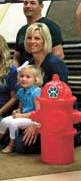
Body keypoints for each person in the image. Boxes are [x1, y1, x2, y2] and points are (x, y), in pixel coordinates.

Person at [14, 22, 68, 154]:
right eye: (29, 38)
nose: (32, 41)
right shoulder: (30, 64)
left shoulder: (55, 64)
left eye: (37, 38)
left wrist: (38, 125)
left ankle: (73, 137)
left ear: (45, 41)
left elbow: (61, 102)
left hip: (55, 116)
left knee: (20, 145)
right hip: (33, 114)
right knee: (6, 134)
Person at [0, 65, 43, 153]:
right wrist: (17, 111)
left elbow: (39, 113)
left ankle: (11, 145)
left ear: (36, 80)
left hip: (34, 119)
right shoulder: (20, 91)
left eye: (28, 77)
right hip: (23, 116)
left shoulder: (36, 93)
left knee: (13, 123)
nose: (24, 79)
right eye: (22, 76)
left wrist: (20, 115)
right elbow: (21, 106)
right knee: (4, 121)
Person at [13, 0, 65, 67]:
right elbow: (16, 57)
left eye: (32, 3)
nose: (28, 6)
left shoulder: (51, 27)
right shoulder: (22, 30)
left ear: (41, 7)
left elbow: (59, 55)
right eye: (25, 3)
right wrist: (15, 73)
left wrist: (41, 73)